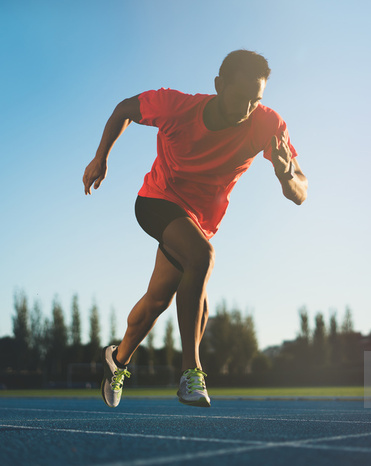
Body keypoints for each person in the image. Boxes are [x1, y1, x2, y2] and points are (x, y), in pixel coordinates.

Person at [83, 50, 307, 408]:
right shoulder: (178, 108)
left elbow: (300, 192)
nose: (247, 108)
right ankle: (192, 372)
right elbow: (126, 108)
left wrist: (285, 177)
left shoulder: (266, 124)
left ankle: (118, 360)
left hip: (198, 222)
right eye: (240, 98)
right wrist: (101, 156)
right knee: (202, 258)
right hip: (156, 201)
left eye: (256, 100)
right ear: (219, 86)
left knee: (159, 299)